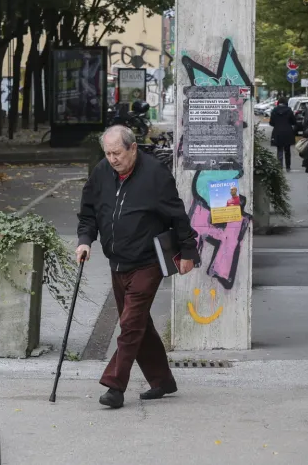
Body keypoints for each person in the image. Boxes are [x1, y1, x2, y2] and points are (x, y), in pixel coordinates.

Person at [76, 125, 199, 409]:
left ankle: (115, 386)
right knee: (139, 322)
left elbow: (178, 216)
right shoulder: (101, 173)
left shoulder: (155, 175)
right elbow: (89, 212)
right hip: (117, 262)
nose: (112, 159)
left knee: (130, 324)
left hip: (148, 261)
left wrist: (188, 252)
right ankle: (162, 380)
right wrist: (85, 241)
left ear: (132, 148)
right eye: (107, 153)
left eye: (117, 153)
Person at [268, 96, 296, 171]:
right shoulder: (289, 110)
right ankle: (288, 166)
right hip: (288, 132)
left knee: (279, 149)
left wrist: (277, 124)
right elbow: (294, 121)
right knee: (287, 150)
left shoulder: (274, 110)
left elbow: (271, 122)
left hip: (277, 132)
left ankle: (279, 166)